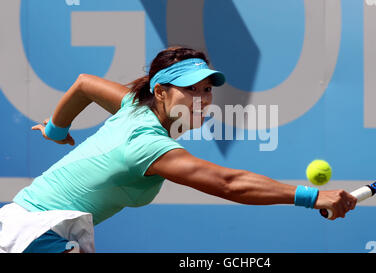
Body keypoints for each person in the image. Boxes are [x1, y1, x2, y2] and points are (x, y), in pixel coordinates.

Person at [0, 46, 357, 253]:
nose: (201, 99)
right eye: (190, 89)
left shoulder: (133, 106)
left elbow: (84, 85)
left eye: (206, 90)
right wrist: (312, 197)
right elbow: (228, 183)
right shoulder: (147, 146)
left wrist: (55, 128)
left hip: (18, 224)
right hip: (36, 235)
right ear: (160, 92)